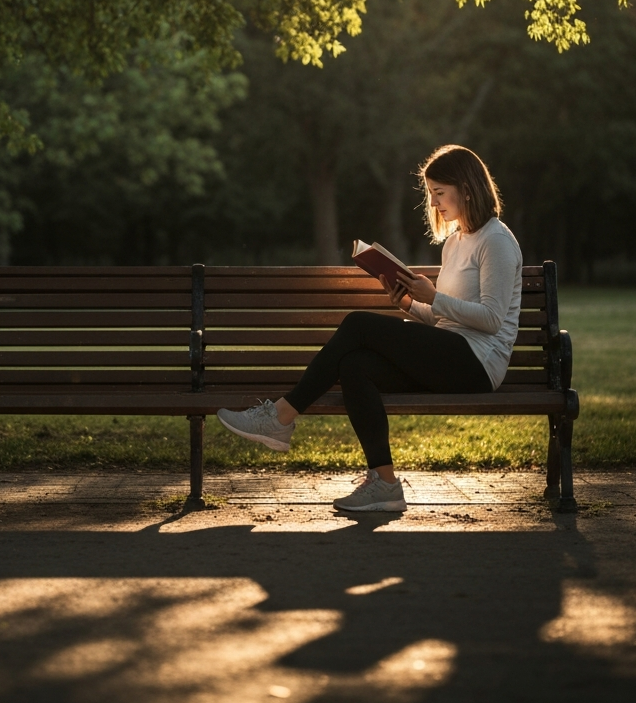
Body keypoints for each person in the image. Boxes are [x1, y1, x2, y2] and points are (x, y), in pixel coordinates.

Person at [216, 144, 523, 513]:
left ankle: (281, 415)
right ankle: (385, 484)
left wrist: (434, 296)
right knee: (354, 366)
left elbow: (491, 319)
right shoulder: (456, 242)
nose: (434, 203)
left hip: (478, 362)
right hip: (452, 351)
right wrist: (411, 304)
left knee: (358, 324)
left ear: (466, 187)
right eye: (431, 194)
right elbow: (446, 321)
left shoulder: (497, 240)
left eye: (439, 193)